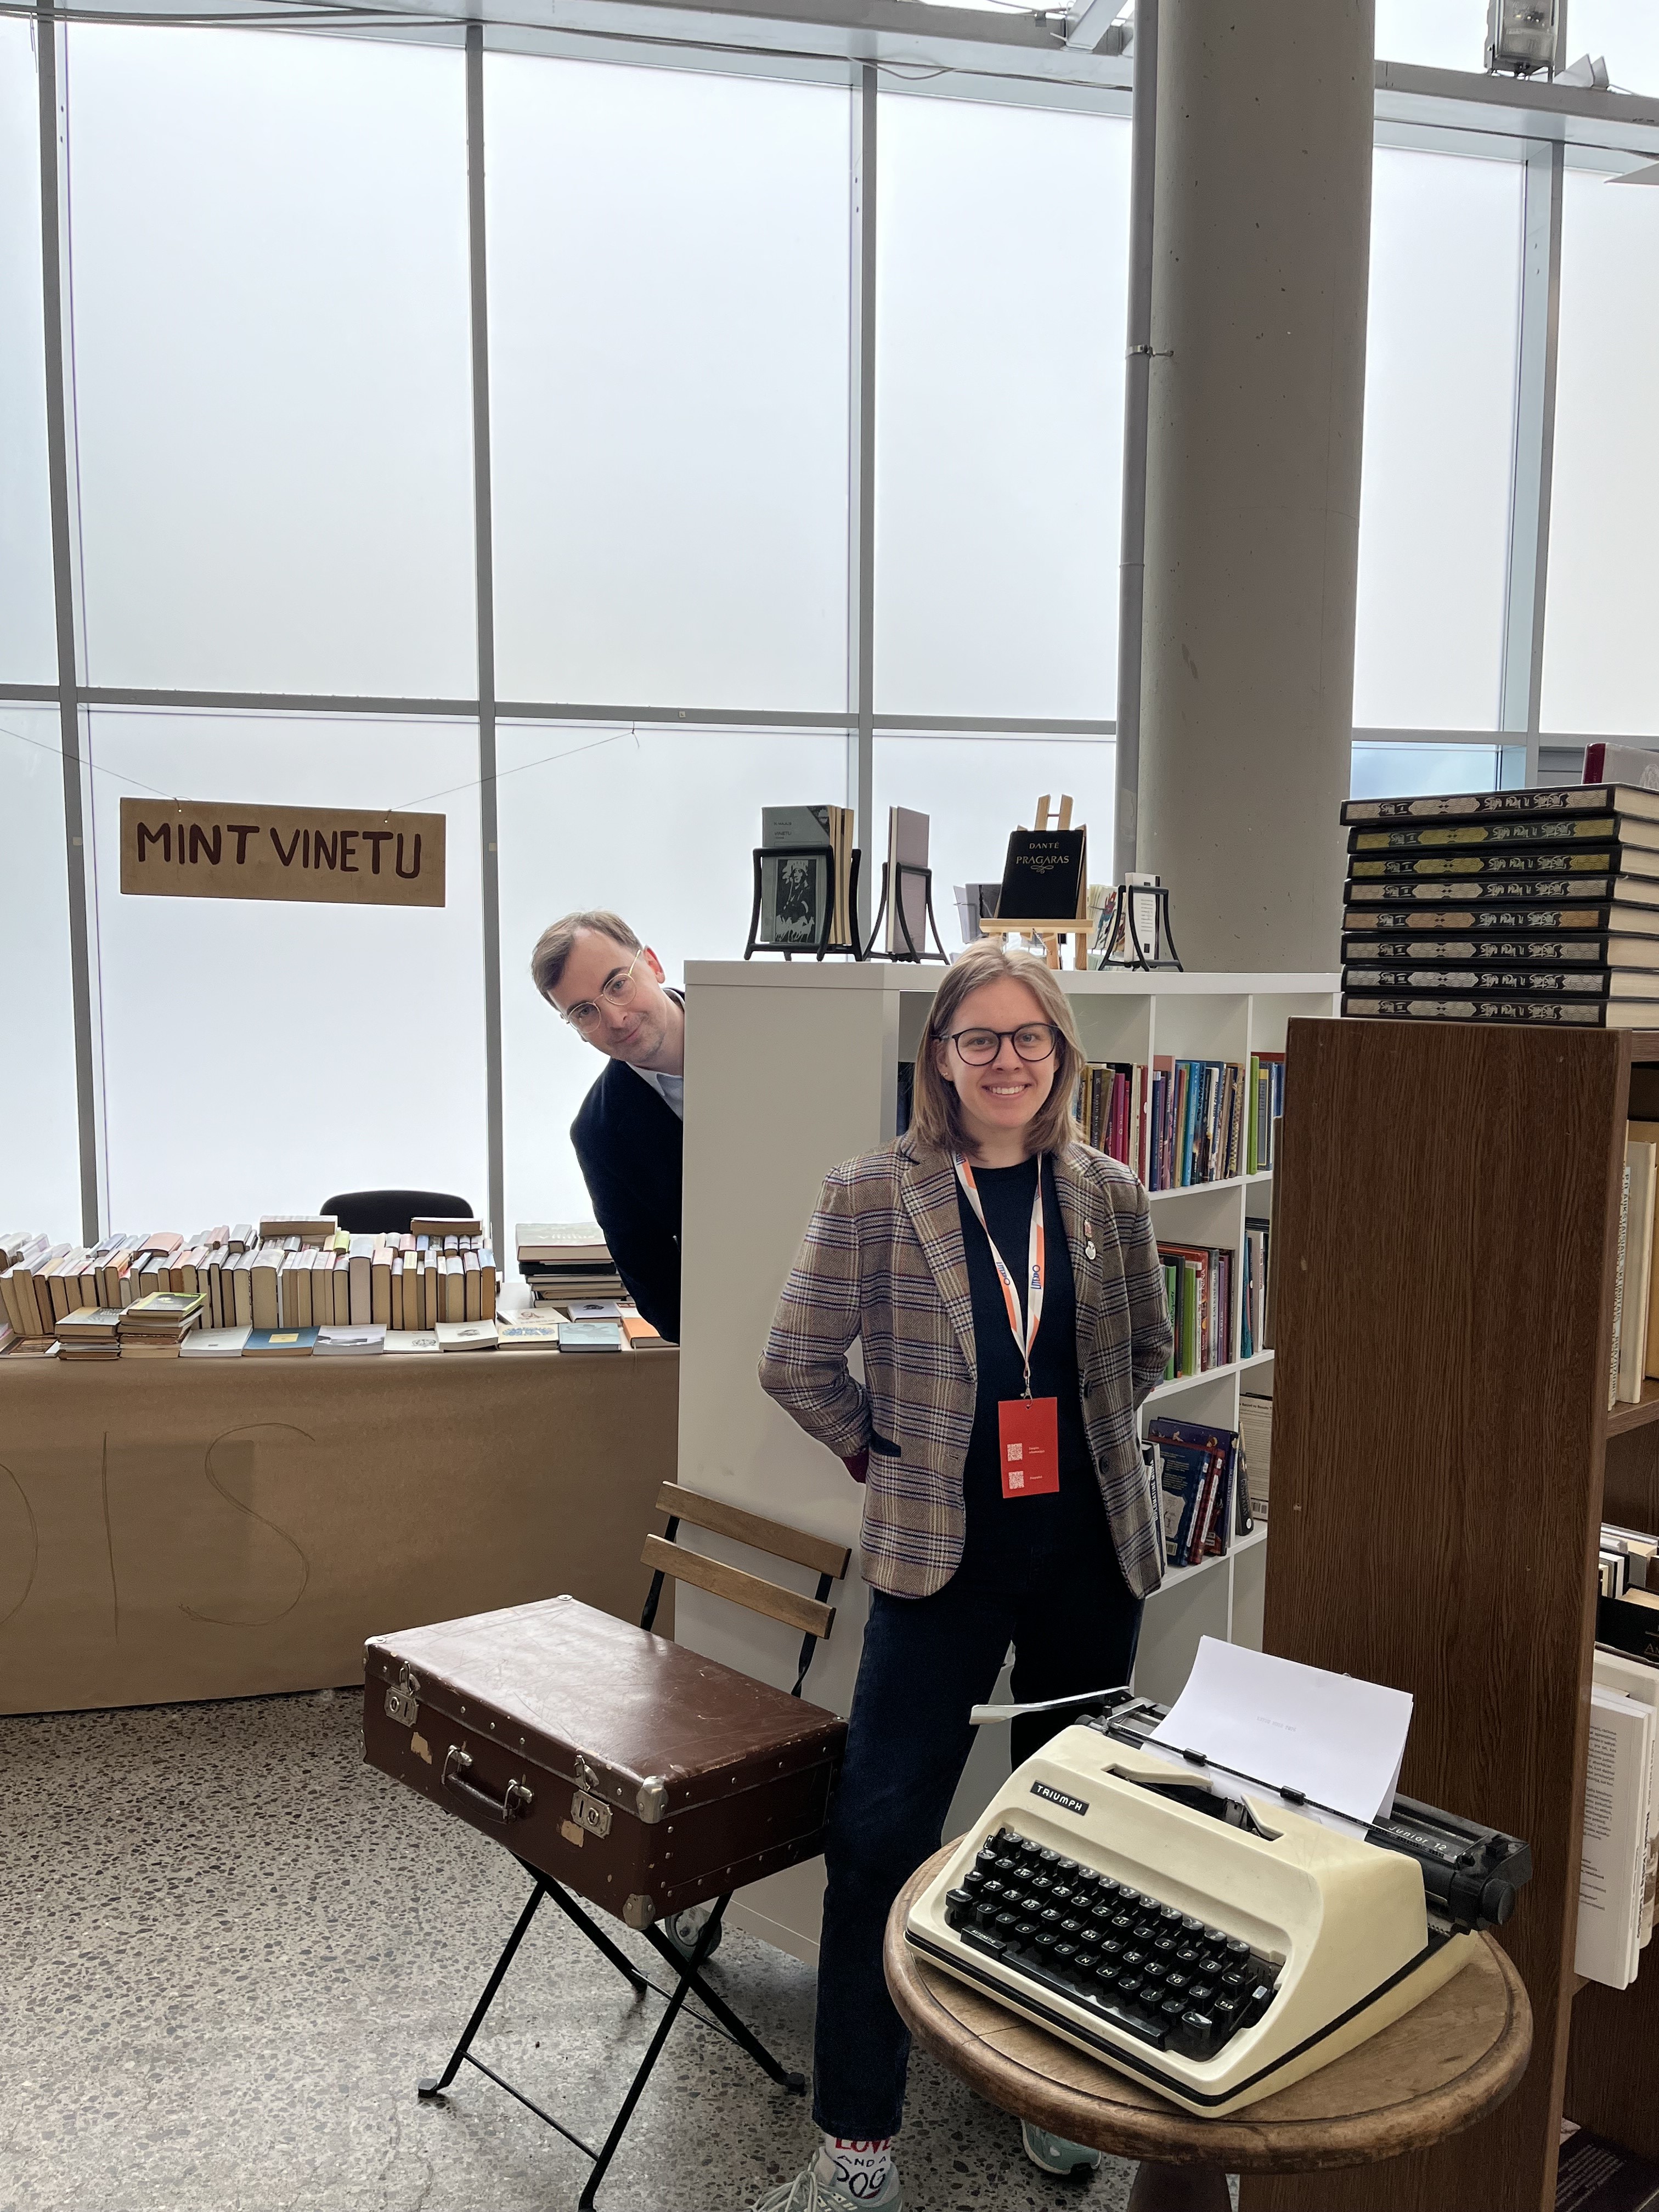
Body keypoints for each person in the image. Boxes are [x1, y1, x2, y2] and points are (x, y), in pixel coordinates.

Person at [754, 941, 1172, 2211]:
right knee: (882, 1832)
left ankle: (1050, 2092)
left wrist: (1079, 1447)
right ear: (940, 1056)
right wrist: (878, 1450)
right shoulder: (875, 1193)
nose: (1005, 1061)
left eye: (1027, 1037)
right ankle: (856, 2145)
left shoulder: (1107, 1191)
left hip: (1090, 1555)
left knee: (1069, 1828)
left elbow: (1145, 1349)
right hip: (942, 1557)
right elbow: (794, 1359)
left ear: (1061, 1053)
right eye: (977, 1038)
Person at [530, 910, 684, 1342]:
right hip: (738, 1338)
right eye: (585, 1012)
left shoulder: (758, 1017)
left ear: (653, 964)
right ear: (576, 1029)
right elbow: (660, 1293)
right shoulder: (598, 1134)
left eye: (617, 985)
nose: (615, 1019)